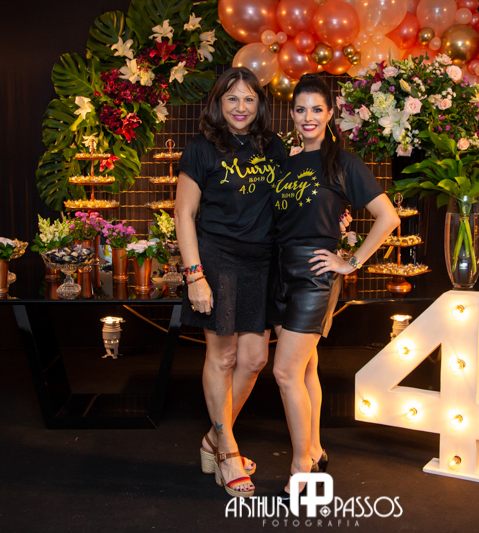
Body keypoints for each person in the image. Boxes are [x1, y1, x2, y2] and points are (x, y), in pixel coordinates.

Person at [267, 74, 400, 496]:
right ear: (292, 114)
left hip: (314, 276)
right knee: (306, 367)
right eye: (300, 109)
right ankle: (315, 448)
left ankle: (301, 467)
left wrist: (351, 261)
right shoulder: (285, 164)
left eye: (316, 109)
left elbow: (388, 217)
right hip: (279, 273)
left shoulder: (344, 162)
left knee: (285, 371)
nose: (308, 117)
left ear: (329, 114)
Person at [174, 67, 285, 498]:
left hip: (262, 261)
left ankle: (213, 438)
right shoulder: (201, 148)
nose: (241, 107)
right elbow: (184, 214)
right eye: (232, 98)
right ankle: (228, 450)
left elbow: (287, 203)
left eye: (249, 99)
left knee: (254, 360)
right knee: (223, 357)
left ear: (260, 105)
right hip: (218, 259)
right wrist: (194, 275)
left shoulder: (273, 147)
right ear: (219, 103)